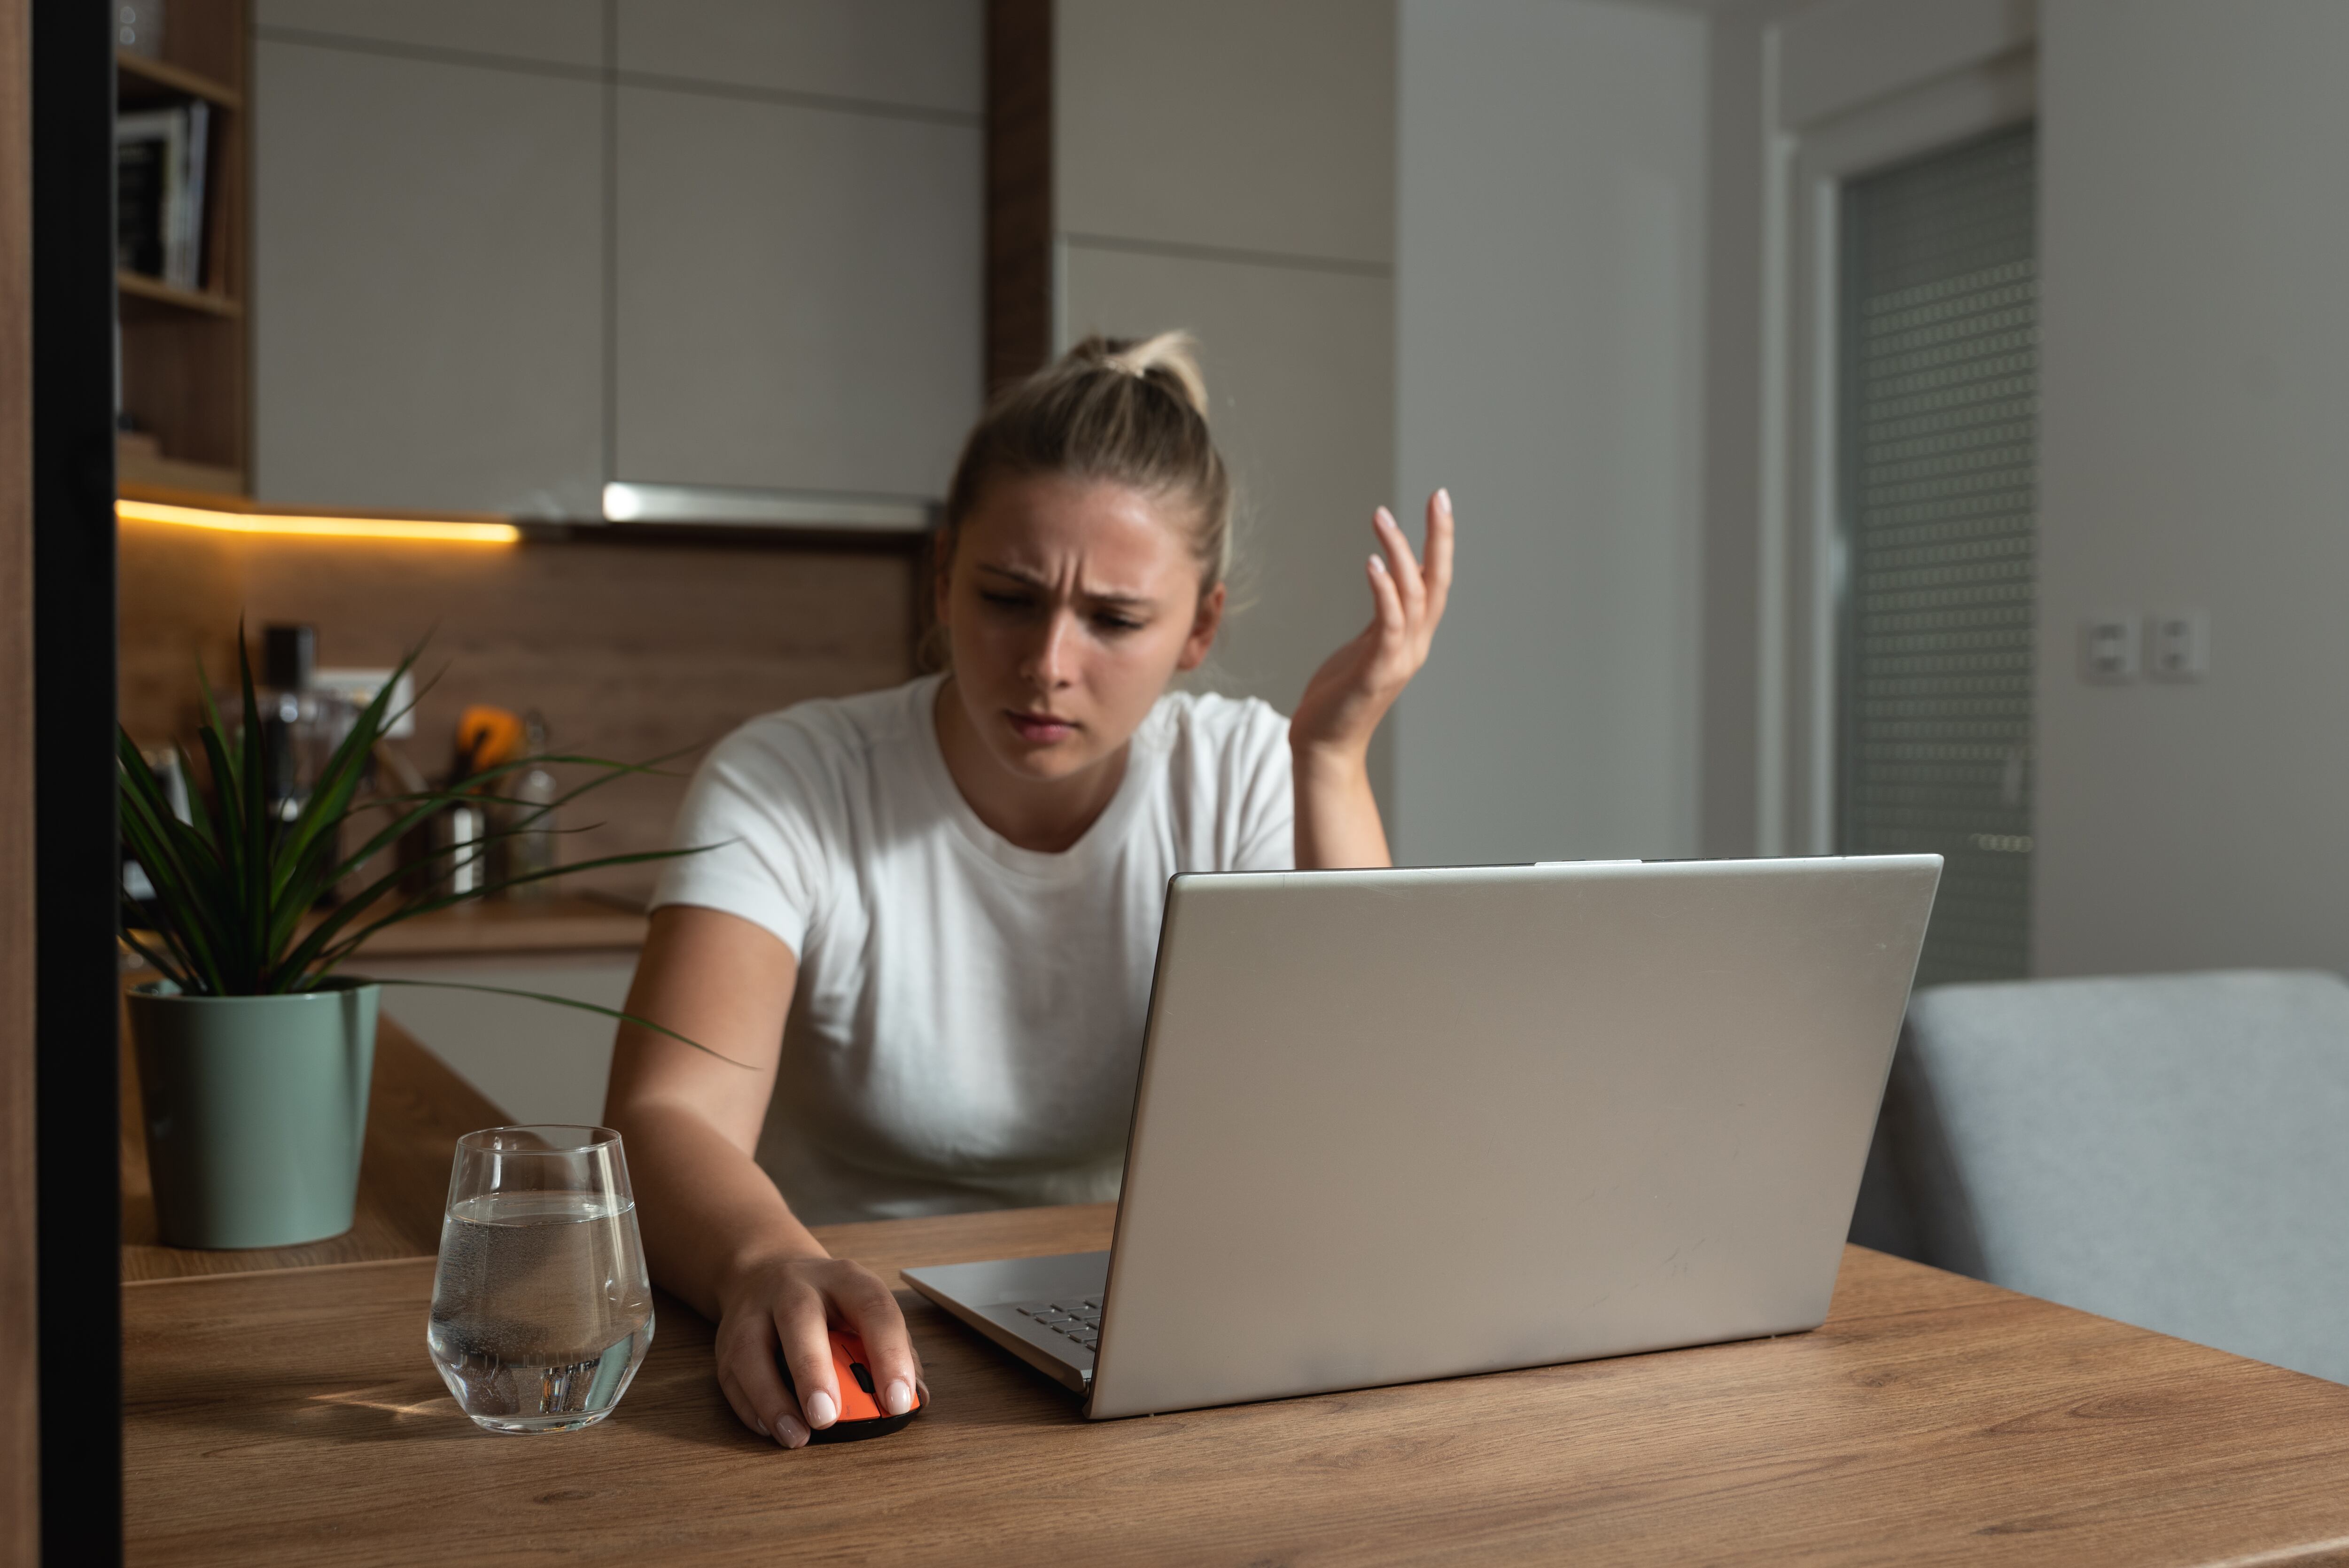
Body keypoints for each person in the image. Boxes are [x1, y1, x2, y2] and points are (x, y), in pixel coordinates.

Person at [603, 332, 1455, 1447]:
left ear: (1199, 625)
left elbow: (1372, 1107)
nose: (1049, 659)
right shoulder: (790, 778)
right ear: (944, 572)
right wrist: (770, 1262)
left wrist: (1333, 760)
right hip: (851, 1331)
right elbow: (666, 1112)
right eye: (1008, 596)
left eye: (1114, 619)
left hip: (1138, 1341)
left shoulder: (1252, 768)